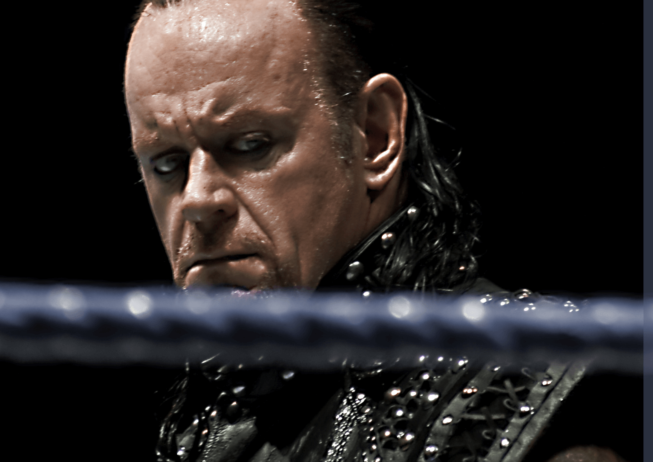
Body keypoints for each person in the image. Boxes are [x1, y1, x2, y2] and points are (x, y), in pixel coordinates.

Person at [123, 1, 627, 461]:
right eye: (166, 163)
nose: (196, 200)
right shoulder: (208, 419)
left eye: (250, 144)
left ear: (375, 136)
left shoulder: (528, 377)